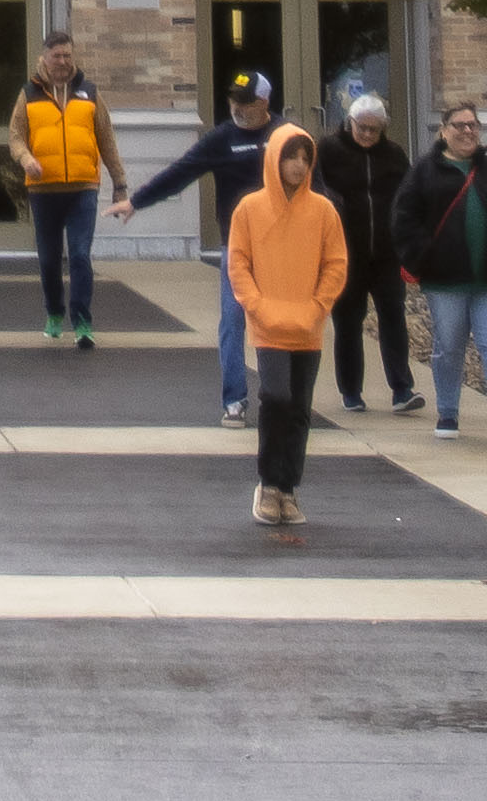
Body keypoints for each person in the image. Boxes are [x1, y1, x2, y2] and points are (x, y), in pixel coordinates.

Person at [125, 72, 280, 424]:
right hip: (238, 247)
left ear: (264, 102)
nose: (237, 107)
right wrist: (136, 201)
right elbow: (181, 171)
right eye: (233, 100)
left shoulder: (284, 135)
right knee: (232, 321)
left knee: (277, 323)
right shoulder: (222, 138)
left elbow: (312, 184)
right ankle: (235, 400)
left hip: (278, 249)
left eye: (245, 101)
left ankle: (278, 396)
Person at [391, 100, 487, 448]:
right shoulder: (424, 173)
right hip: (445, 282)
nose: (467, 131)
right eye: (459, 125)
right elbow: (404, 220)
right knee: (449, 348)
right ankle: (448, 413)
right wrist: (423, 256)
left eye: (472, 125)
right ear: (443, 131)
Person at [223, 119, 350, 525]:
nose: (297, 165)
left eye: (304, 157)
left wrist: (318, 306)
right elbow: (238, 262)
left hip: (307, 326)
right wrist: (255, 305)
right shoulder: (250, 209)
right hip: (269, 324)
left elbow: (336, 264)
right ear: (274, 159)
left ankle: (288, 489)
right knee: (275, 399)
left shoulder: (323, 210)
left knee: (299, 408)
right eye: (290, 156)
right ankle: (268, 483)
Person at [13, 32, 130, 346]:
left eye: (67, 56)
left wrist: (120, 185)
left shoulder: (89, 93)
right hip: (43, 190)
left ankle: (82, 323)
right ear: (45, 58)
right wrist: (26, 160)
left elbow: (107, 141)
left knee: (79, 255)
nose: (63, 62)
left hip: (83, 188)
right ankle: (54, 312)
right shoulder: (29, 94)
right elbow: (15, 137)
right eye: (57, 56)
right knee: (49, 259)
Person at [322, 94, 420, 411]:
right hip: (345, 254)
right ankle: (351, 391)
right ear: (349, 122)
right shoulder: (328, 150)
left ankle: (402, 389)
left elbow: (408, 199)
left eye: (373, 130)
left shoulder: (393, 155)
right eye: (361, 128)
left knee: (393, 317)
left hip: (386, 254)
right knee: (348, 322)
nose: (366, 135)